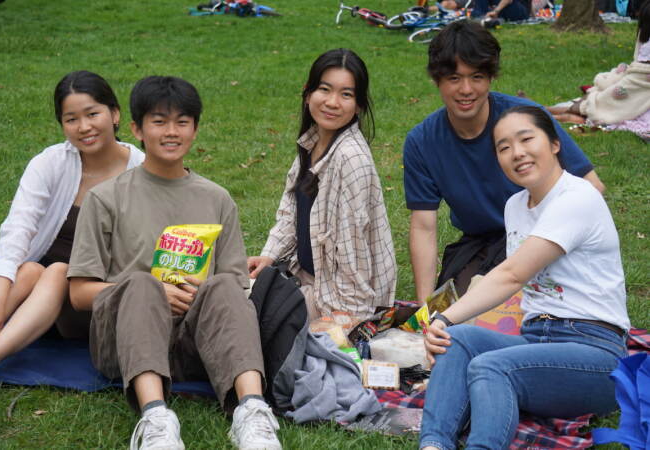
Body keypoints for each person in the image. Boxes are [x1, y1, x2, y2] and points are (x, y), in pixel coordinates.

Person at [67, 76, 281, 450]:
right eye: (159, 121)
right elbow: (79, 293)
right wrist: (155, 291)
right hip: (125, 341)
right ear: (136, 128)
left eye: (182, 122)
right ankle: (155, 418)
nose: (171, 132)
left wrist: (196, 295)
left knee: (224, 286)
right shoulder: (106, 198)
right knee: (141, 282)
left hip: (196, 344)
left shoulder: (217, 198)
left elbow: (235, 285)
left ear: (195, 129)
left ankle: (252, 411)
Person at [419, 105, 630, 450]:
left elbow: (513, 274)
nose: (516, 153)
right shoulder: (516, 206)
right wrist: (443, 325)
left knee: (491, 366)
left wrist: (441, 315)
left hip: (595, 351)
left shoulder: (577, 197)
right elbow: (505, 280)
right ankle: (433, 444)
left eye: (526, 139)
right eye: (503, 147)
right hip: (535, 340)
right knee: (456, 340)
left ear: (555, 144)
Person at [403, 20, 604, 303]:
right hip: (481, 243)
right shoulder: (422, 141)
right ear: (437, 80)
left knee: (527, 312)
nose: (466, 89)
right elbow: (424, 226)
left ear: (491, 78)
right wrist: (424, 306)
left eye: (477, 77)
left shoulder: (526, 119)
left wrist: (548, 242)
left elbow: (592, 186)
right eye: (454, 78)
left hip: (543, 235)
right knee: (456, 317)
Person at [0, 71, 144, 382]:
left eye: (93, 114)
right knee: (29, 270)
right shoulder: (51, 162)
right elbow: (17, 230)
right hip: (34, 301)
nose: (84, 127)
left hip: (91, 302)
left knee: (56, 271)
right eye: (71, 119)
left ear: (115, 113)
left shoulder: (142, 172)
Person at [247, 48, 396, 321]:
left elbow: (355, 258)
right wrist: (269, 255)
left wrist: (343, 323)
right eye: (324, 89)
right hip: (304, 279)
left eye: (346, 94)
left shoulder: (351, 159)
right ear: (307, 94)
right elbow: (290, 212)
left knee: (240, 315)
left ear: (359, 105)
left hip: (335, 300)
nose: (332, 102)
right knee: (227, 293)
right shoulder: (313, 141)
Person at [548, 0, 650, 125]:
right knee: (605, 90)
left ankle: (549, 112)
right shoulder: (645, 39)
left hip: (642, 90)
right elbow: (639, 65)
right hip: (640, 80)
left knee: (604, 101)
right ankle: (547, 111)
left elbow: (641, 76)